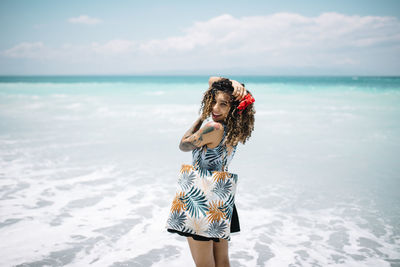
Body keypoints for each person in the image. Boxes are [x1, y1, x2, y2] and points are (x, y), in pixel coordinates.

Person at [167, 76, 255, 267]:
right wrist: (235, 84)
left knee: (204, 264)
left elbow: (183, 144)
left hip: (200, 199)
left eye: (223, 104)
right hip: (220, 200)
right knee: (222, 262)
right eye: (213, 101)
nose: (215, 108)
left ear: (234, 108)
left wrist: (201, 116)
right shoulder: (235, 128)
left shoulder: (213, 127)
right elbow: (212, 81)